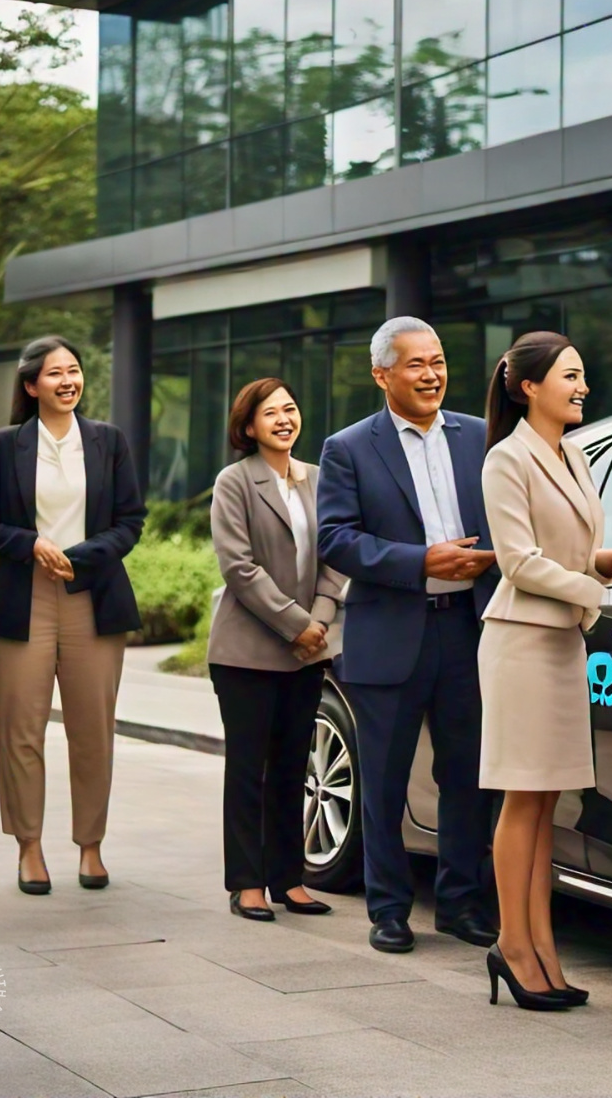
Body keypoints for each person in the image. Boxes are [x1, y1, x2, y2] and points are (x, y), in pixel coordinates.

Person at [477, 332, 612, 1010]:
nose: (582, 386)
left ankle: (542, 947)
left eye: (583, 375)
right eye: (569, 375)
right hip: (521, 643)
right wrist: (598, 592)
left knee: (548, 802)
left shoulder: (573, 455)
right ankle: (513, 946)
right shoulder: (505, 459)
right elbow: (518, 562)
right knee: (523, 798)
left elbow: (571, 556)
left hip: (559, 645)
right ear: (528, 386)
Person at [317, 316, 498, 954]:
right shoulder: (348, 448)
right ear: (382, 375)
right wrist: (420, 560)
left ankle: (460, 904)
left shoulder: (481, 437)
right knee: (386, 783)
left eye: (439, 361)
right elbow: (335, 539)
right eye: (416, 364)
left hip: (470, 632)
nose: (432, 374)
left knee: (469, 777)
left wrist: (490, 556)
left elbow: (511, 519)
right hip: (391, 633)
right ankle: (389, 909)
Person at [0, 336, 145, 895]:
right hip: (24, 600)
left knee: (94, 730)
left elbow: (130, 520)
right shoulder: (4, 445)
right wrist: (29, 543)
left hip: (93, 597)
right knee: (21, 731)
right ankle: (29, 846)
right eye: (54, 374)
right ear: (30, 386)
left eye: (74, 371)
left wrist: (81, 555)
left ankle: (90, 846)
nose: (68, 381)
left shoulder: (108, 442)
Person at [208, 377, 346, 922]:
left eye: (290, 409)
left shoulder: (320, 479)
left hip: (308, 649)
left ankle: (289, 878)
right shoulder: (234, 482)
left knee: (293, 766)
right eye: (271, 413)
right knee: (249, 768)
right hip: (246, 651)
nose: (285, 419)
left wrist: (322, 619)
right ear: (249, 426)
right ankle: (246, 884)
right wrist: (296, 623)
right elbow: (239, 566)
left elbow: (335, 553)